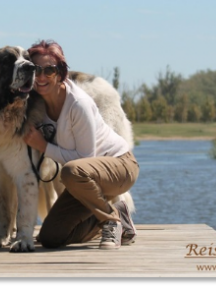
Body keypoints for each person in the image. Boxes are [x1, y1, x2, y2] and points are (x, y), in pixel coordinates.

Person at [23, 40, 140, 250]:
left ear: (60, 73)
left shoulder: (78, 103)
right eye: (35, 70)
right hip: (85, 179)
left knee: (71, 171)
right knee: (51, 237)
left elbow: (85, 159)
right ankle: (118, 217)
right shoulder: (36, 103)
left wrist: (43, 146)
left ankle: (110, 221)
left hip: (119, 166)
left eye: (48, 70)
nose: (41, 76)